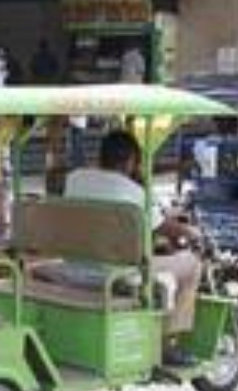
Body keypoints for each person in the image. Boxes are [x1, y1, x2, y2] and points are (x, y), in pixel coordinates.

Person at [65, 130, 202, 365]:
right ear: (130, 161)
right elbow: (163, 228)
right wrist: (190, 232)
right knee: (191, 264)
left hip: (76, 267)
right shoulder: (135, 193)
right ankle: (168, 343)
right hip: (114, 275)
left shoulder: (75, 179)